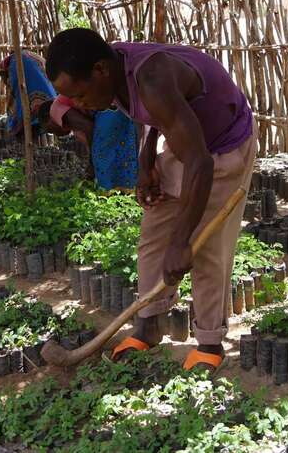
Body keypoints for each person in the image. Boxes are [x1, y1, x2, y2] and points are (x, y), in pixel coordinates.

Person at [46, 28, 257, 373]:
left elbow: (200, 163)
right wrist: (147, 164)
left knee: (204, 245)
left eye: (81, 95)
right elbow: (150, 117)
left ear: (100, 70)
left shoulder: (152, 78)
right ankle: (148, 326)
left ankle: (208, 342)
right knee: (153, 236)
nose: (81, 105)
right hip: (188, 140)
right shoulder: (114, 70)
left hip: (222, 147)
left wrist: (182, 241)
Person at [37, 95, 139, 190]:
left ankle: (110, 193)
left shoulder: (55, 110)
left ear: (48, 117)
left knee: (101, 157)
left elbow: (89, 127)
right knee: (123, 153)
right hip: (118, 107)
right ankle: (127, 190)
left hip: (109, 110)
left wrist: (92, 163)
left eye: (50, 129)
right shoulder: (73, 124)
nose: (54, 134)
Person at [0, 50, 56, 139]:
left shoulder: (14, 65)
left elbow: (15, 93)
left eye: (3, 76)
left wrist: (12, 122)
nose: (4, 80)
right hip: (49, 97)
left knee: (21, 105)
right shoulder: (31, 57)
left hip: (34, 99)